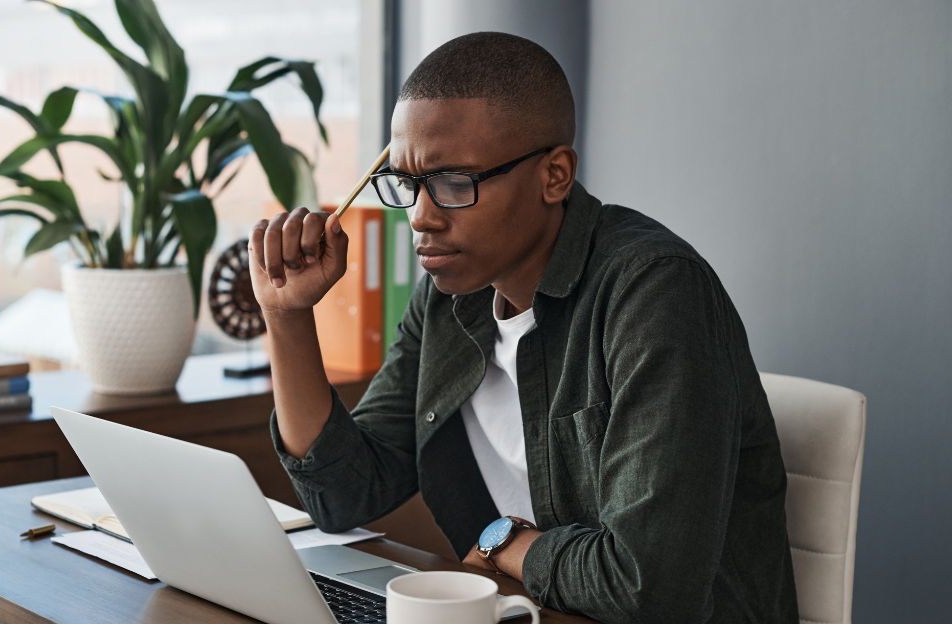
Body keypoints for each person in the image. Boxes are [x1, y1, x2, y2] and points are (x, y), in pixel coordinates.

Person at [249, 32, 798, 624]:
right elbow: (344, 495)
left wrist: (501, 541)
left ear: (555, 175)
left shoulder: (655, 293)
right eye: (407, 184)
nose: (421, 217)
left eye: (454, 183)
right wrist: (286, 317)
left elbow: (649, 587)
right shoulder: (447, 299)